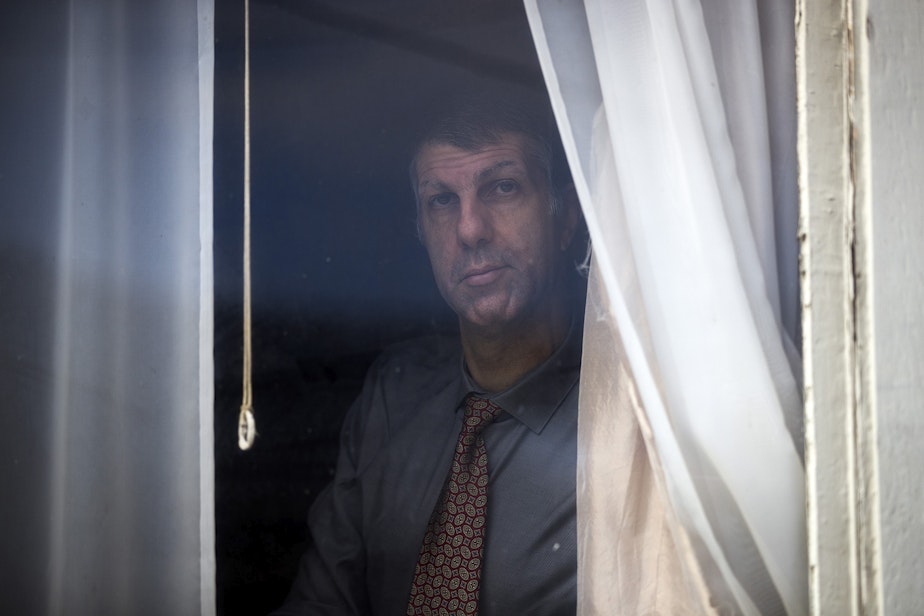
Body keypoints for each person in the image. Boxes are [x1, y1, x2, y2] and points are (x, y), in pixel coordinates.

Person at [273, 95, 585, 616]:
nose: (470, 229)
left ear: (567, 218)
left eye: (503, 188)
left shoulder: (632, 413)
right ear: (421, 231)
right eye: (442, 200)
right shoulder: (395, 395)